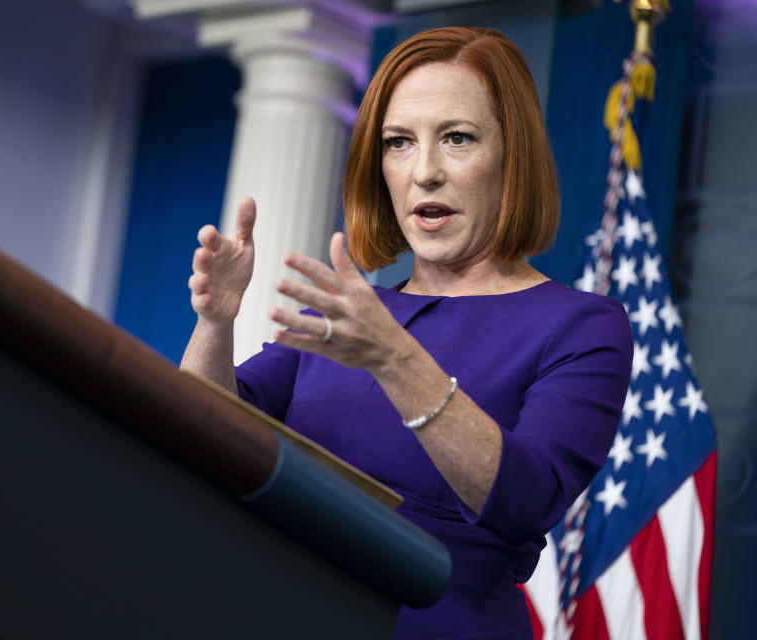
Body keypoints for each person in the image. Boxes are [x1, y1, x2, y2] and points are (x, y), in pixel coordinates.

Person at [181, 27, 632, 639]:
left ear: (512, 156)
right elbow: (207, 432)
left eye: (457, 138)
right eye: (399, 142)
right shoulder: (353, 314)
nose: (424, 172)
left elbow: (528, 499)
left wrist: (395, 360)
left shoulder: (581, 327)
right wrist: (216, 322)